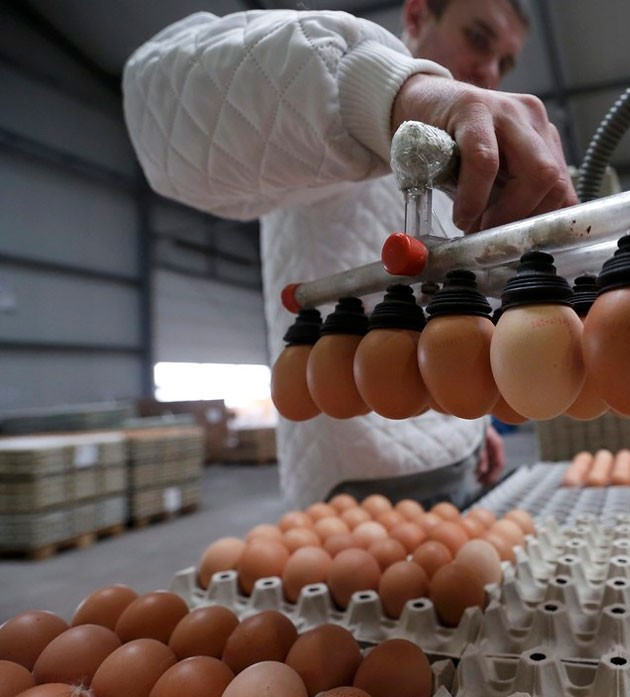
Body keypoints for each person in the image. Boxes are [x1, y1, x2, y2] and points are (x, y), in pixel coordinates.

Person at [122, 0, 577, 509]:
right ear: (417, 16)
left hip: (459, 458)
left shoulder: (468, 155)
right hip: (356, 478)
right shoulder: (322, 125)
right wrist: (387, 94)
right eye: (477, 38)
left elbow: (448, 324)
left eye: (506, 62)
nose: (490, 70)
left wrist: (470, 425)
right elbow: (156, 98)